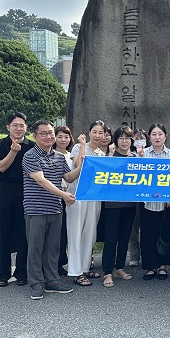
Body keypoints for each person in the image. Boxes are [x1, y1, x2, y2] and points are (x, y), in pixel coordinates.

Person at [22, 120, 86, 300]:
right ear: (35, 136)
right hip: (35, 209)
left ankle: (52, 280)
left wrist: (83, 166)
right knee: (35, 247)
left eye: (50, 132)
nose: (49, 136)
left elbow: (69, 177)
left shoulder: (58, 156)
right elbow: (41, 181)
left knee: (53, 247)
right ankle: (36, 282)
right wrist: (63, 195)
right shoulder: (30, 156)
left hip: (55, 208)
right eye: (44, 133)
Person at [0, 112, 34, 287]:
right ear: (8, 127)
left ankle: (21, 272)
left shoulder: (32, 146)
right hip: (3, 191)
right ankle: (2, 273)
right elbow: (0, 167)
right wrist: (13, 152)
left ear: (26, 127)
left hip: (26, 190)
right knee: (2, 231)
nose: (18, 128)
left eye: (21, 125)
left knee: (24, 232)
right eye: (15, 125)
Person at [66, 120, 106, 286]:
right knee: (76, 232)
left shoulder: (102, 154)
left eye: (100, 133)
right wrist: (82, 144)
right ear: (89, 132)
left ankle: (85, 267)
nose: (97, 135)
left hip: (94, 197)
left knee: (90, 233)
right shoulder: (78, 148)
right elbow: (78, 165)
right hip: (77, 196)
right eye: (94, 132)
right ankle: (75, 271)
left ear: (104, 135)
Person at [101, 126, 138, 288]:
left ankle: (119, 267)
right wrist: (109, 157)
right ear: (115, 141)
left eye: (127, 138)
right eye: (121, 138)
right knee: (111, 238)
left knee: (125, 236)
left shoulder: (136, 157)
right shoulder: (109, 157)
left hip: (130, 204)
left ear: (132, 141)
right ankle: (107, 272)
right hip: (112, 204)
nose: (124, 141)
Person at [140, 123, 170, 281]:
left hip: (166, 203)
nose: (157, 137)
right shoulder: (143, 153)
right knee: (148, 235)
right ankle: (151, 266)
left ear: (165, 136)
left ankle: (163, 266)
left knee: (165, 234)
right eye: (153, 134)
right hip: (147, 202)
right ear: (149, 137)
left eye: (160, 134)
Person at [53, 125, 75, 277]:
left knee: (68, 232)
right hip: (56, 197)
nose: (63, 140)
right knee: (57, 233)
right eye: (59, 136)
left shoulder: (71, 155)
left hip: (72, 197)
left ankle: (63, 261)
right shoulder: (51, 154)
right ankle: (55, 264)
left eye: (66, 137)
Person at [128, 128, 150, 267]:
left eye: (142, 138)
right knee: (133, 229)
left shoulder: (150, 153)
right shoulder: (128, 155)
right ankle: (134, 256)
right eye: (136, 138)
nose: (139, 140)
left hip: (148, 196)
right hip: (132, 197)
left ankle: (147, 256)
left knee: (147, 228)